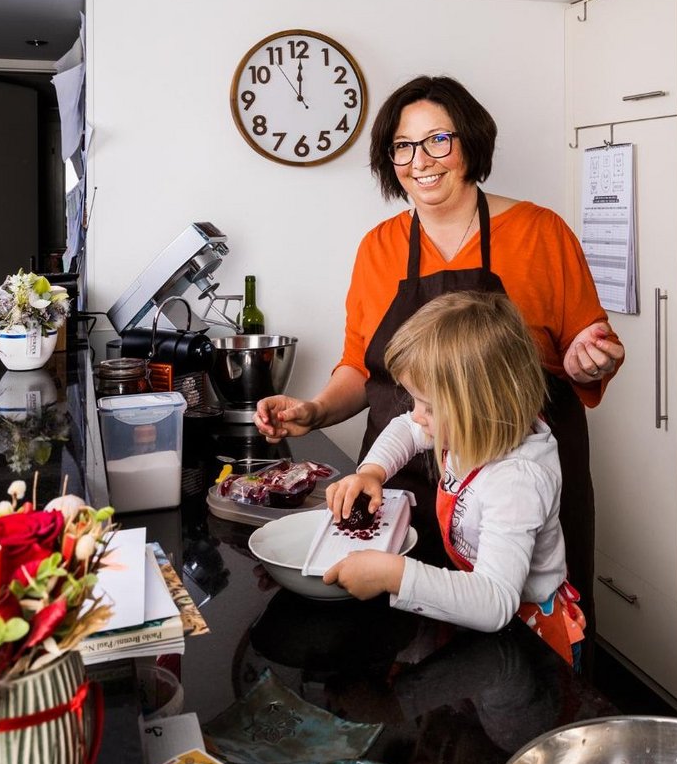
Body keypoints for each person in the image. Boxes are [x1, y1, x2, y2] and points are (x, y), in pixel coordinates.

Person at [254, 75, 622, 629]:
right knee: (404, 640)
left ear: (471, 142)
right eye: (403, 146)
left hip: (510, 490)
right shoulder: (379, 247)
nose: (419, 160)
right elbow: (362, 366)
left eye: (437, 140)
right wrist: (315, 411)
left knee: (518, 650)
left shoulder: (540, 233)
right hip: (403, 487)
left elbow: (585, 348)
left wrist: (587, 360)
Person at [322, 291, 586, 667]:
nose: (417, 415)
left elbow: (494, 601)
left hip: (528, 636)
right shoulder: (474, 428)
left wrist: (392, 574)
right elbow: (407, 429)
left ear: (482, 406)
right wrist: (371, 471)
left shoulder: (516, 481)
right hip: (479, 614)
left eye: (428, 407)